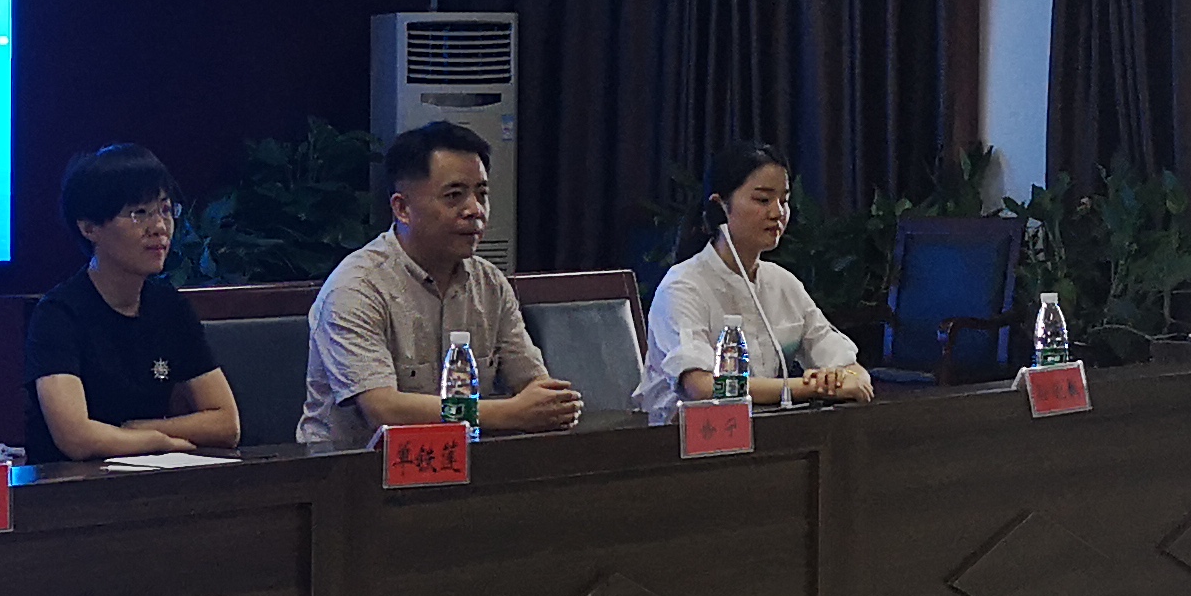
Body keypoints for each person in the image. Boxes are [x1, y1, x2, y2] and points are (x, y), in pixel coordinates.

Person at [296, 120, 586, 448]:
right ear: (402, 208)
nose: (475, 210)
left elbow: (532, 383)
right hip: (353, 468)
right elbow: (383, 408)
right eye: (454, 196)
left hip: (463, 461)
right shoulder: (355, 288)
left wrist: (550, 405)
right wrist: (508, 413)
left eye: (482, 194)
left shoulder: (490, 283)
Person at [27, 144, 241, 462]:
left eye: (165, 210)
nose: (159, 228)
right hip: (73, 485)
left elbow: (226, 423)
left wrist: (142, 429)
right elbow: (76, 438)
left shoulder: (170, 308)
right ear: (89, 227)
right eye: (139, 213)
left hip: (153, 480)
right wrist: (158, 440)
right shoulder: (59, 314)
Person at [639, 137, 875, 421]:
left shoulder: (783, 283)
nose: (778, 213)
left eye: (783, 201)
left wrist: (841, 378)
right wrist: (810, 388)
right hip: (683, 438)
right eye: (763, 200)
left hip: (765, 430)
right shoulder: (683, 286)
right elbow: (701, 387)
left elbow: (852, 370)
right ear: (720, 207)